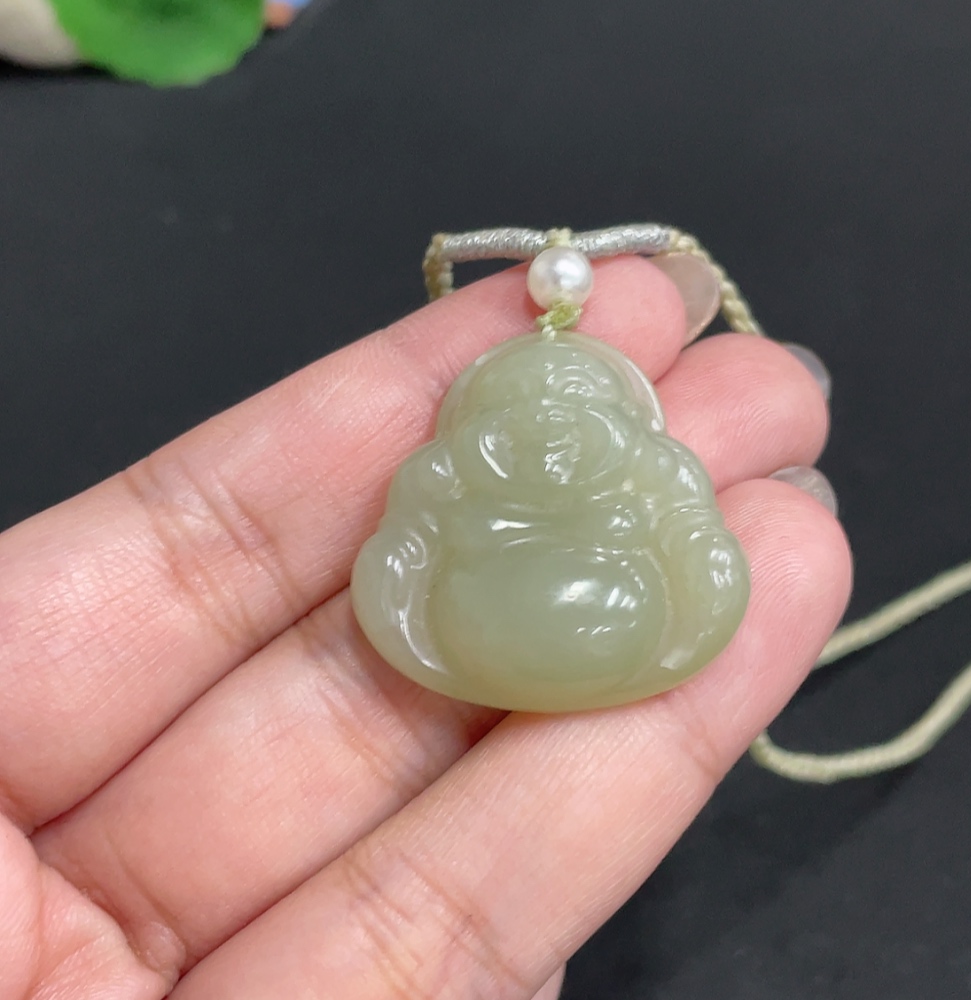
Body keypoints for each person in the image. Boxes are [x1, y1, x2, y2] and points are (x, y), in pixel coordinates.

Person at [0, 257, 850, 999]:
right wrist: (413, 611)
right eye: (529, 417)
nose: (551, 437)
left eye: (574, 415)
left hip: (617, 614)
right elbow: (401, 559)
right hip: (481, 618)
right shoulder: (447, 475)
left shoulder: (651, 469)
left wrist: (699, 596)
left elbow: (694, 540)